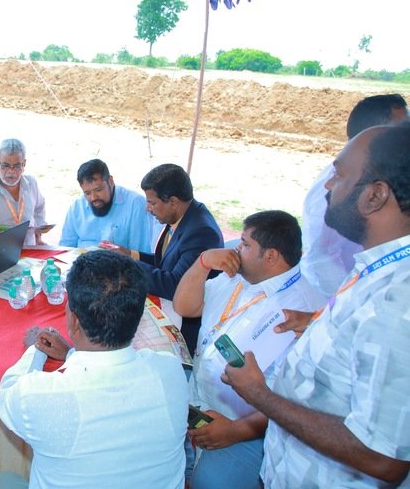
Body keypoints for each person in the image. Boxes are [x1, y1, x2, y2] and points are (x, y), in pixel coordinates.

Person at [222, 123, 410, 488]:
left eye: (339, 175)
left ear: (375, 195)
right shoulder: (380, 268)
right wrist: (321, 325)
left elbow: (383, 457)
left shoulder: (398, 302)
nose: (328, 185)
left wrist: (259, 394)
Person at [0, 250, 188, 488]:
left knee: (2, 481)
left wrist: (35, 349)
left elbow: (7, 393)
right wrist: (71, 353)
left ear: (74, 321)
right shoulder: (170, 371)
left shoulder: (45, 396)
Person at [173, 210, 325, 489]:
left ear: (271, 256)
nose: (236, 250)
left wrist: (234, 431)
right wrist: (202, 263)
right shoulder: (238, 277)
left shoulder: (304, 311)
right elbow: (184, 306)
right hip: (199, 399)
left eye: (244, 244)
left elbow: (296, 404)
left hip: (246, 429)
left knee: (208, 484)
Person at [301, 93, 408, 299]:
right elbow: (322, 257)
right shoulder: (338, 190)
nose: (407, 134)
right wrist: (339, 304)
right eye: (401, 129)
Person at [108, 163, 223, 355]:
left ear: (173, 202)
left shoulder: (201, 233)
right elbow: (167, 261)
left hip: (185, 328)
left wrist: (127, 265)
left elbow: (174, 285)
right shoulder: (182, 216)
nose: (148, 208)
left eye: (152, 203)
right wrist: (131, 255)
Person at [59, 158, 150, 252]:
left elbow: (140, 255)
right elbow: (65, 250)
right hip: (82, 260)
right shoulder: (76, 208)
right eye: (87, 193)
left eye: (98, 190)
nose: (93, 198)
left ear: (111, 181)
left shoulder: (135, 204)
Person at [0, 138, 48, 246]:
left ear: (24, 164)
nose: (11, 171)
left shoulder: (31, 184)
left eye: (16, 166)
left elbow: (40, 206)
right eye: (5, 166)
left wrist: (38, 234)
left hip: (29, 249)